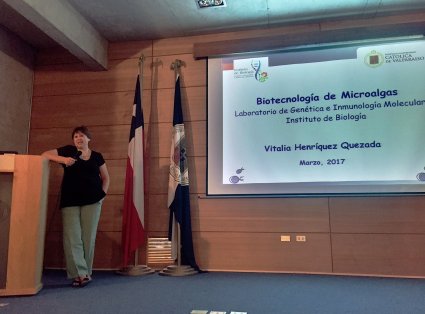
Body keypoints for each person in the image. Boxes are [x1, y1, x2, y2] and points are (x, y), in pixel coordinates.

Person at [42, 126, 110, 288]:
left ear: (88, 139)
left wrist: (102, 196)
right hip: (70, 200)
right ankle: (80, 273)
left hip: (93, 201)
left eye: (82, 136)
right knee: (73, 239)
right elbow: (44, 155)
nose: (78, 139)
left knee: (88, 238)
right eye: (76, 136)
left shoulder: (97, 156)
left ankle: (85, 273)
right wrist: (63, 160)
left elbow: (106, 178)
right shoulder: (68, 151)